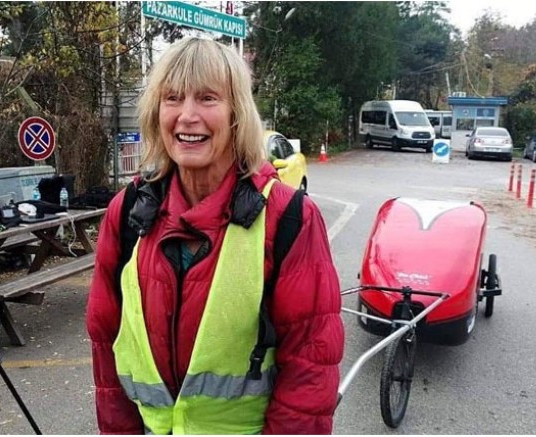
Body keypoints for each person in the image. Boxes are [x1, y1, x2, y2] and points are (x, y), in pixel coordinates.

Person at [86, 37, 344, 434]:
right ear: (157, 112)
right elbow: (106, 345)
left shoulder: (289, 218)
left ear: (237, 114)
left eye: (207, 98)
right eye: (172, 98)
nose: (187, 115)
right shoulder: (127, 212)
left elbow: (310, 367)